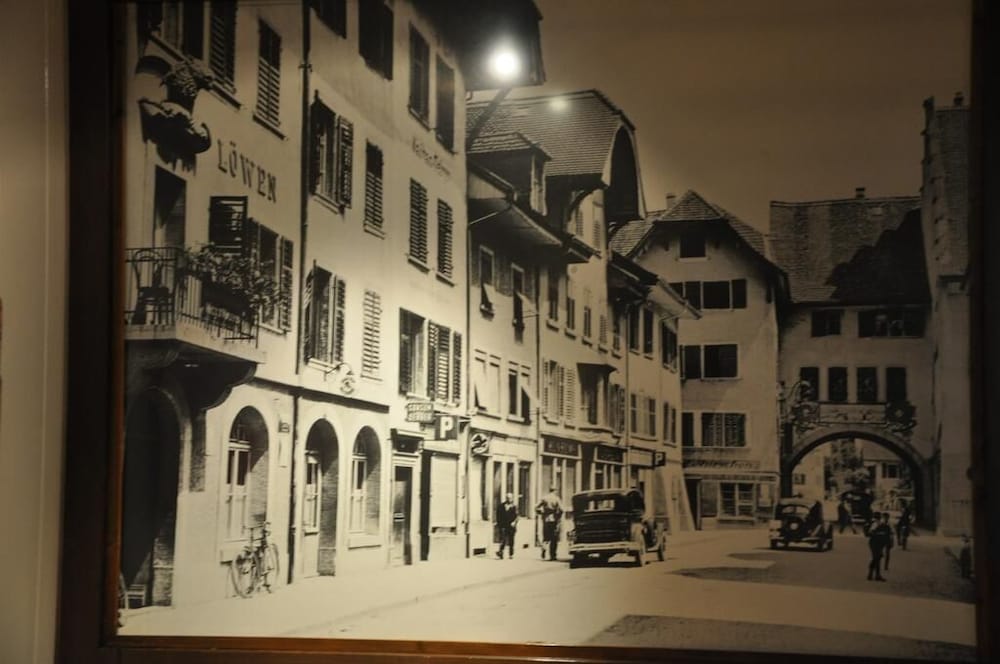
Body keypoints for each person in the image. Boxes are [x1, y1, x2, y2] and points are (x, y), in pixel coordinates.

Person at [535, 484, 563, 561]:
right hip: (554, 520)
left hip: (546, 519)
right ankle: (552, 555)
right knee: (554, 538)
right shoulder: (556, 499)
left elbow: (536, 507)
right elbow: (561, 509)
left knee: (546, 537)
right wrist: (558, 516)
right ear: (555, 490)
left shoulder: (544, 498)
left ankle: (544, 549)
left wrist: (541, 513)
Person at [866, 512, 892, 581]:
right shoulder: (876, 523)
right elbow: (871, 532)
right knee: (876, 558)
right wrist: (880, 534)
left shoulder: (881, 524)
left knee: (877, 558)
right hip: (875, 543)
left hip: (877, 543)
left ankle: (873, 574)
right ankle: (874, 574)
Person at [495, 492, 518, 559]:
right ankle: (501, 552)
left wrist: (514, 522)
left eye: (510, 498)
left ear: (512, 498)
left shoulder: (514, 507)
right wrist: (499, 524)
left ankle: (511, 554)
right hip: (503, 525)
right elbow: (498, 516)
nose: (509, 499)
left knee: (511, 540)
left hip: (511, 526)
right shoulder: (501, 506)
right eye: (507, 498)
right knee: (503, 539)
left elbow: (517, 516)